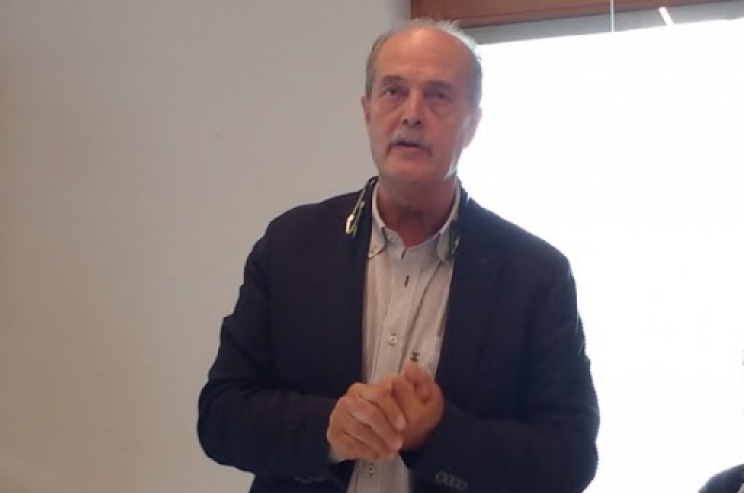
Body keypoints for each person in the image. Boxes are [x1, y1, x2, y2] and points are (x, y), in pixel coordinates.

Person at [198, 19, 599, 493]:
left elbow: (570, 460)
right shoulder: (290, 246)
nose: (412, 113)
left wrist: (439, 435)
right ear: (367, 111)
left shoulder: (535, 276)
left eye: (438, 96)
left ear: (472, 124)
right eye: (393, 91)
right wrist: (325, 429)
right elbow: (220, 416)